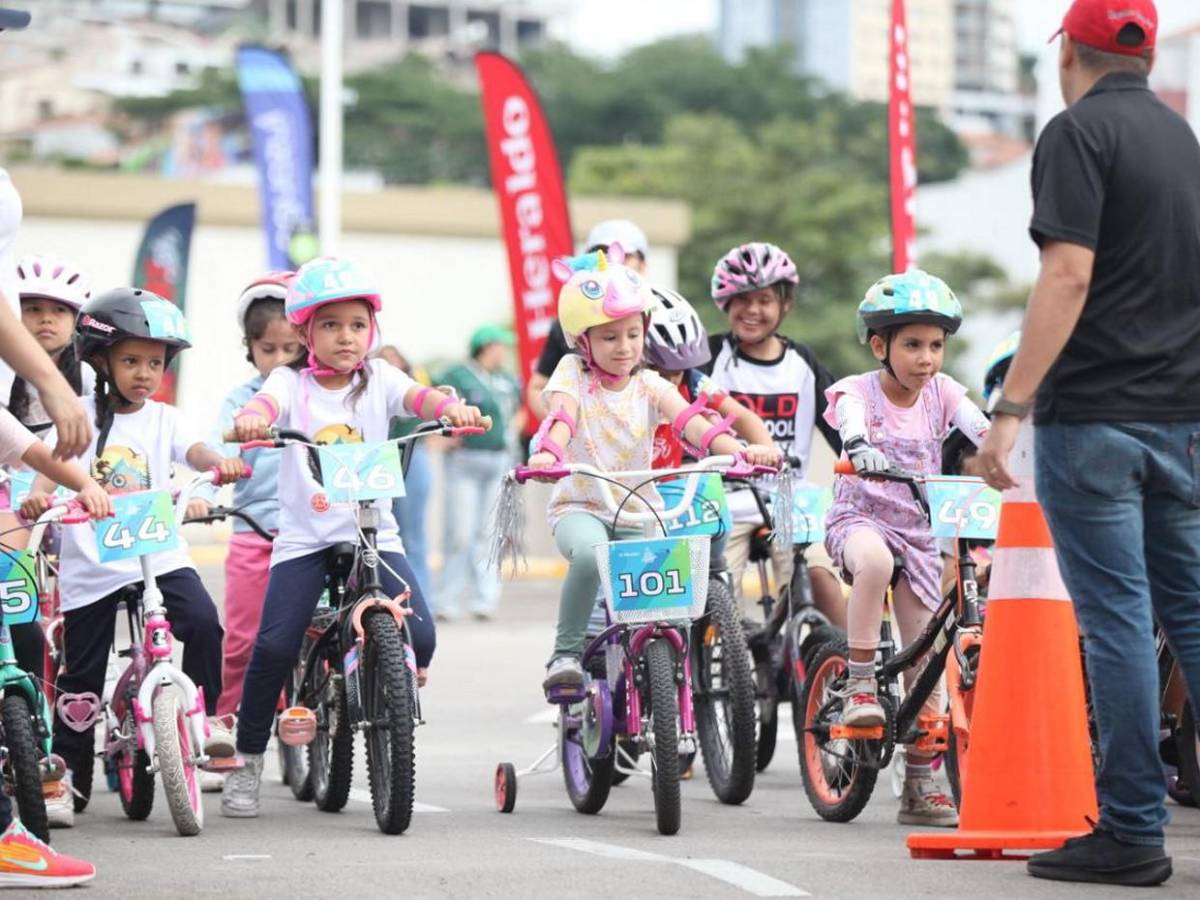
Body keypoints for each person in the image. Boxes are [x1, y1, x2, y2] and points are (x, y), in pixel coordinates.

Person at [978, 0, 1195, 886]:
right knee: (1187, 615)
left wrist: (1011, 406)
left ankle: (1133, 830)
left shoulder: (1076, 135)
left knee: (1113, 621)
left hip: (1095, 418)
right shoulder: (1183, 141)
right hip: (1183, 419)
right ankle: (1139, 817)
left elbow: (1067, 272)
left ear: (1067, 49)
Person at [222, 257, 484, 818]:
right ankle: (246, 761)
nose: (347, 337)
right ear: (305, 331)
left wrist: (454, 409)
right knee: (271, 647)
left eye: (358, 325)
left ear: (373, 331)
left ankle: (387, 674)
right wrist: (251, 417)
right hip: (306, 539)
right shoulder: (288, 383)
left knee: (426, 635)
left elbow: (421, 400)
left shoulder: (380, 380)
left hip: (373, 533)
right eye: (333, 324)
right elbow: (265, 405)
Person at [21, 288, 246, 827]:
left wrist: (217, 464)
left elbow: (195, 452)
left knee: (203, 623)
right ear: (99, 360)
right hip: (93, 570)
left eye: (155, 363)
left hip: (159, 555)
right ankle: (67, 779)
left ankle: (211, 720)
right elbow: (45, 468)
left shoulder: (166, 420)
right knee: (81, 679)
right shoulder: (76, 419)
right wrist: (37, 495)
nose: (145, 374)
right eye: (130, 361)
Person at [524, 244, 779, 697]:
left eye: (632, 335)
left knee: (667, 606)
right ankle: (564, 654)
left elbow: (689, 422)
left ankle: (659, 690)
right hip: (582, 506)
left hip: (638, 509)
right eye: (609, 338)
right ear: (583, 341)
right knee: (590, 555)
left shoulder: (649, 382)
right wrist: (549, 453)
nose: (624, 348)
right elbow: (561, 417)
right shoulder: (571, 374)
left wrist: (737, 450)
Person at [823, 270, 989, 827]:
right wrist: (858, 444)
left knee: (929, 655)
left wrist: (1009, 449)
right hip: (862, 516)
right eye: (913, 344)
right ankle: (862, 680)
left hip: (920, 530)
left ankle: (920, 785)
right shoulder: (858, 392)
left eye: (936, 345)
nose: (926, 358)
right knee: (873, 562)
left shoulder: (943, 393)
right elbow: (847, 421)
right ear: (880, 346)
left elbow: (979, 425)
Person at [703, 242, 845, 627]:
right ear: (725, 302)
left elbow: (839, 431)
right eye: (742, 299)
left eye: (764, 299)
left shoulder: (803, 363)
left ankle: (853, 674)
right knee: (710, 597)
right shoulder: (706, 357)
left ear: (785, 305)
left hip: (789, 499)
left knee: (820, 577)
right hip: (722, 501)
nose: (752, 310)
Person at [210, 272, 302, 722]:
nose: (280, 360)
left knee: (320, 632)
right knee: (244, 640)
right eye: (269, 350)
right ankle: (223, 721)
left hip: (314, 530)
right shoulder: (239, 400)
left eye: (291, 348)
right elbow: (217, 449)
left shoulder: (316, 395)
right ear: (250, 348)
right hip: (256, 530)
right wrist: (218, 468)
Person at [525, 219, 650, 420]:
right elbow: (537, 387)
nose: (609, 261)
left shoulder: (666, 317)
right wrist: (564, 429)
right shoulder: (570, 322)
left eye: (622, 255)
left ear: (643, 265)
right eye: (600, 253)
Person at [436, 325, 519, 620]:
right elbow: (436, 398)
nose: (504, 352)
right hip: (465, 461)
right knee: (460, 531)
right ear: (486, 346)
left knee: (488, 532)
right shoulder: (458, 375)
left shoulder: (505, 380)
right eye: (500, 346)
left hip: (497, 460)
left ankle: (484, 599)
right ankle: (446, 599)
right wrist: (445, 436)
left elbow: (518, 408)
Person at [376, 345, 436, 620]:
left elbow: (434, 406)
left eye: (395, 360)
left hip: (411, 457)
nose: (390, 365)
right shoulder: (366, 389)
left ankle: (421, 604)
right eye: (383, 361)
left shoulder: (412, 389)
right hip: (375, 459)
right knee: (379, 534)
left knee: (413, 537)